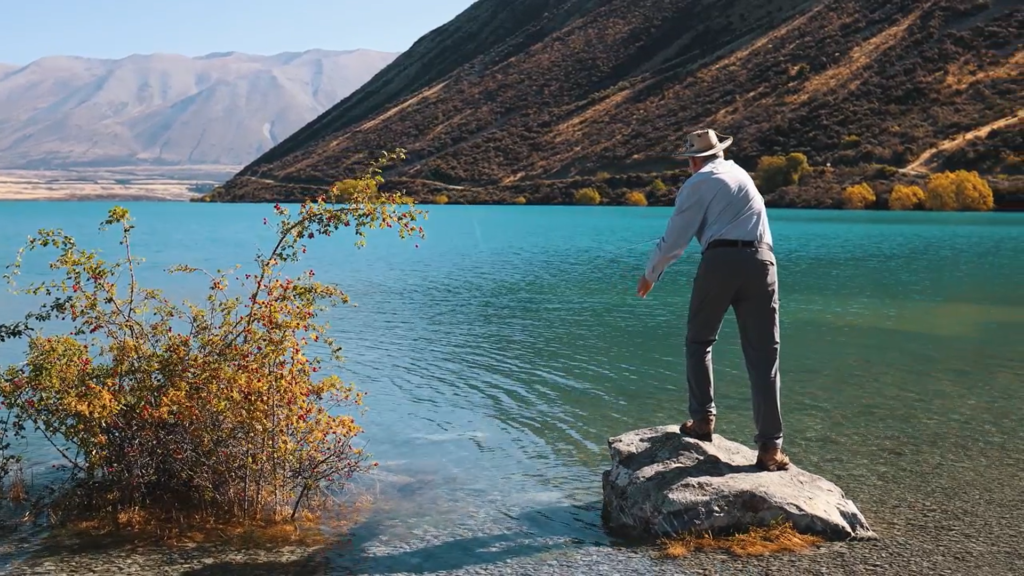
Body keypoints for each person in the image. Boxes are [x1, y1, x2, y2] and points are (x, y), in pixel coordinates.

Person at [635, 128, 790, 472]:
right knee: (765, 356)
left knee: (699, 341)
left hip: (720, 262)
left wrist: (650, 274)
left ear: (692, 160)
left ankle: (703, 419)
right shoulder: (741, 174)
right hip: (763, 261)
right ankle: (770, 449)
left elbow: (676, 238)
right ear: (719, 151)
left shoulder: (697, 183)